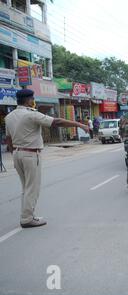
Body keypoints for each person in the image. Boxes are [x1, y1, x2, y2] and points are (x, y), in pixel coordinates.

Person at [4, 89, 90, 228]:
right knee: (32, 188)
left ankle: (28, 214)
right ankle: (27, 218)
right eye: (32, 99)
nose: (33, 101)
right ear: (28, 100)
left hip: (17, 154)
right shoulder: (31, 115)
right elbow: (58, 122)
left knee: (26, 187)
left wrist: (15, 153)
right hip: (31, 154)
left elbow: (8, 139)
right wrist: (79, 125)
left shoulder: (9, 116)